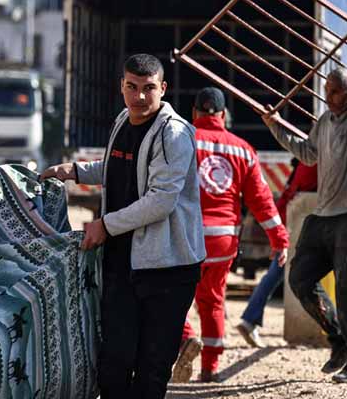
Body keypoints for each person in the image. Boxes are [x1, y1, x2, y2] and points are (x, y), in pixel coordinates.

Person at [41, 53, 206, 398]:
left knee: (151, 368)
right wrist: (75, 171)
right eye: (132, 87)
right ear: (122, 87)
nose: (140, 97)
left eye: (148, 88)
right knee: (114, 362)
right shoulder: (123, 121)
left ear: (163, 88)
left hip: (167, 267)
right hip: (122, 262)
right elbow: (120, 167)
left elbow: (161, 200)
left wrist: (105, 224)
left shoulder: (173, 135)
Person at [261, 20, 347, 383]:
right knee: (299, 278)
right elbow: (308, 154)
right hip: (324, 216)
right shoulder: (325, 121)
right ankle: (338, 340)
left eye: (335, 91)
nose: (328, 96)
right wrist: (276, 125)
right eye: (327, 90)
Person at [173, 87, 289, 383]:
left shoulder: (181, 141)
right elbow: (260, 199)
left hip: (187, 237)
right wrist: (279, 238)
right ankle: (210, 368)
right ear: (223, 115)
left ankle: (186, 338)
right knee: (212, 301)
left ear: (195, 113)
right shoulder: (242, 149)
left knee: (170, 297)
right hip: (224, 241)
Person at [237, 160, 317, 348]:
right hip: (300, 220)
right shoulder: (321, 158)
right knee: (280, 272)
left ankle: (250, 318)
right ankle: (250, 319)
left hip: (291, 217)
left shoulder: (308, 160)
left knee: (277, 272)